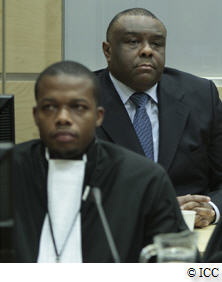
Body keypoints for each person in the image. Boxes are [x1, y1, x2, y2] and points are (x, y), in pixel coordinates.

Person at [12, 61, 186, 263]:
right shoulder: (8, 171)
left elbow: (187, 269)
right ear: (36, 115)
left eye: (78, 107)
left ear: (98, 116)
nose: (63, 118)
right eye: (50, 107)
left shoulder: (143, 179)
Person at [95, 8, 222, 228]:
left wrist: (211, 209)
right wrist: (158, 211)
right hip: (114, 235)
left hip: (191, 237)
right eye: (133, 42)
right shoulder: (80, 101)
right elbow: (66, 194)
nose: (147, 51)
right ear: (108, 51)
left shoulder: (201, 95)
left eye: (156, 44)